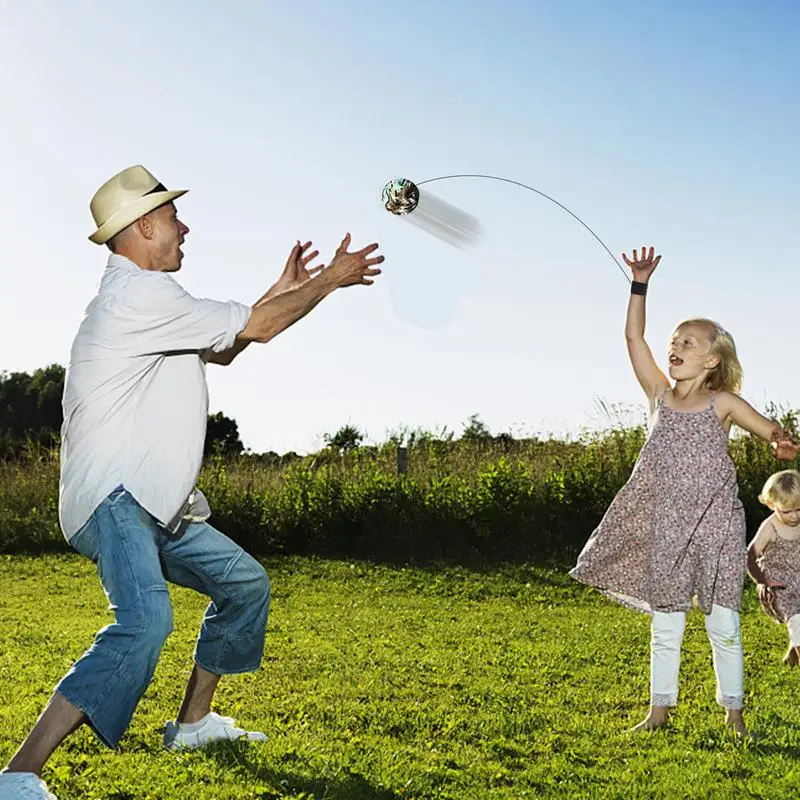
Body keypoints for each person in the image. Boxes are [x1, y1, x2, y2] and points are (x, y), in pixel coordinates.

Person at [0, 164, 384, 800]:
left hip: (156, 499)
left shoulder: (154, 303)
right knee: (146, 621)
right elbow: (256, 327)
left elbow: (231, 344)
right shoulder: (136, 298)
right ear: (144, 226)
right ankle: (18, 773)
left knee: (244, 584)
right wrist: (327, 282)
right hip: (114, 497)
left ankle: (193, 724)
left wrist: (284, 288)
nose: (185, 227)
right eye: (174, 217)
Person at [569, 246, 799, 737]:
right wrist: (639, 283)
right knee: (666, 626)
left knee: (723, 625)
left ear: (712, 359)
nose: (676, 347)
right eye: (675, 341)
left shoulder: (723, 402)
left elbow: (768, 428)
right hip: (668, 527)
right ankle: (658, 713)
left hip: (716, 527)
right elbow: (633, 336)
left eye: (689, 342)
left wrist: (780, 441)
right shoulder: (658, 396)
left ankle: (734, 715)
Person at [747, 469, 800, 666]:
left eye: (798, 509)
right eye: (787, 511)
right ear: (771, 504)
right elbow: (750, 555)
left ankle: (792, 653)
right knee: (796, 619)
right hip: (778, 584)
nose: (794, 516)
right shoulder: (770, 527)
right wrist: (762, 580)